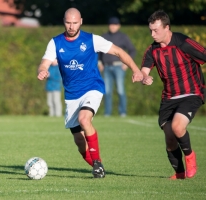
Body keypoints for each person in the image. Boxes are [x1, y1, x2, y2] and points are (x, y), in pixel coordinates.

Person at [37, 8, 143, 178]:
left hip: (92, 87)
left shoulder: (92, 40)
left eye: (75, 23)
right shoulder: (55, 42)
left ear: (81, 21)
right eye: (68, 22)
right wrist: (42, 70)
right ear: (64, 21)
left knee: (84, 119)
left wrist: (136, 70)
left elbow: (119, 52)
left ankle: (97, 163)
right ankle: (97, 165)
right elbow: (44, 63)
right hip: (72, 95)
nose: (71, 26)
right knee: (79, 142)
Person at [141, 10, 205, 180]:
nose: (153, 34)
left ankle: (190, 157)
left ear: (167, 27)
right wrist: (144, 78)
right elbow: (144, 70)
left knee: (177, 127)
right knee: (170, 138)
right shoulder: (153, 49)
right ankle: (179, 174)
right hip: (169, 97)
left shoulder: (183, 42)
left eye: (156, 30)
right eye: (151, 30)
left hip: (192, 93)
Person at [99, 17, 136, 117]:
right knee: (107, 91)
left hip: (118, 67)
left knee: (120, 90)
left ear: (118, 26)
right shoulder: (104, 36)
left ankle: (122, 112)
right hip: (106, 67)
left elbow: (132, 50)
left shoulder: (123, 37)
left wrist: (126, 64)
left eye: (115, 24)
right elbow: (98, 52)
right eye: (111, 24)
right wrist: (99, 62)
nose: (113, 26)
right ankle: (107, 113)